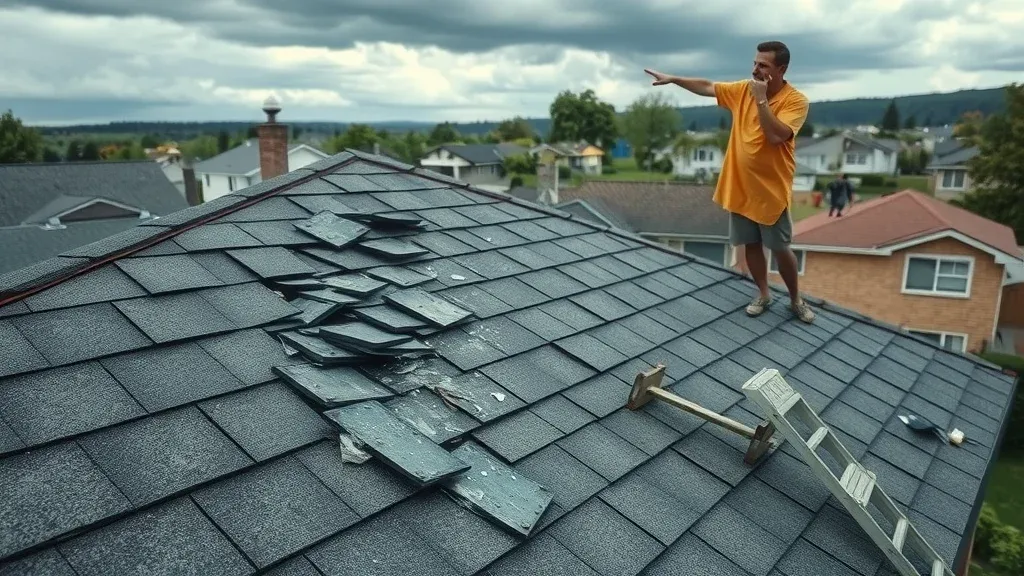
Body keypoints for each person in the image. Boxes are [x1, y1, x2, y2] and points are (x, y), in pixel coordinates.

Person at [644, 40, 815, 323]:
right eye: (755, 63)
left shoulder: (795, 101)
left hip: (771, 191)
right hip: (740, 185)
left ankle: (796, 299)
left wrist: (760, 98)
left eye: (764, 65)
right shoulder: (742, 90)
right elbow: (708, 86)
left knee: (780, 247)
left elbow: (776, 135)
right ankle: (763, 294)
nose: (756, 69)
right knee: (750, 243)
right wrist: (674, 80)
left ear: (781, 69)